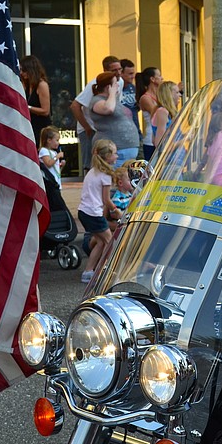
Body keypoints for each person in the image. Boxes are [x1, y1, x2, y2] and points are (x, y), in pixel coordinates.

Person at [78, 139, 120, 284]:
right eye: (114, 153)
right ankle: (105, 273)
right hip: (93, 214)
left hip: (84, 212)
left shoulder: (92, 171)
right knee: (110, 243)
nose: (117, 156)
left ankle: (88, 272)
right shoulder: (105, 175)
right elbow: (106, 200)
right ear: (107, 156)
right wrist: (117, 211)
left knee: (102, 242)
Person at [71, 56, 124, 172]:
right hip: (91, 127)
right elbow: (75, 105)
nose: (118, 73)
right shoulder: (94, 84)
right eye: (114, 70)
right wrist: (87, 127)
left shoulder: (120, 82)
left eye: (120, 69)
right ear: (105, 70)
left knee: (108, 159)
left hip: (106, 128)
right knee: (91, 162)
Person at [90, 71, 140, 165]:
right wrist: (112, 93)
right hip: (116, 151)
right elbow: (108, 109)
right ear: (108, 87)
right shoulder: (97, 100)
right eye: (115, 83)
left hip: (129, 149)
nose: (117, 85)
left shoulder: (113, 100)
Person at [20, 55, 51, 145]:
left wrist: (28, 107)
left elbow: (45, 110)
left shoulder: (42, 85)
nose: (22, 73)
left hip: (40, 128)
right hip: (29, 126)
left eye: (24, 70)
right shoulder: (27, 85)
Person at [136, 67, 163, 159]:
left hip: (161, 135)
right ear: (152, 79)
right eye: (159, 76)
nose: (162, 78)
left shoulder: (158, 95)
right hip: (151, 139)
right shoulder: (145, 98)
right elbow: (156, 114)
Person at [153, 80, 180, 147]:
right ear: (169, 95)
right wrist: (184, 140)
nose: (180, 95)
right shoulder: (162, 111)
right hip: (170, 155)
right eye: (177, 92)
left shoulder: (167, 112)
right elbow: (160, 144)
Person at [119, 59, 140, 139]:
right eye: (130, 74)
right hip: (121, 134)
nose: (133, 76)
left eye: (133, 73)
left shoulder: (132, 87)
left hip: (135, 131)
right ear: (121, 74)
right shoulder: (114, 89)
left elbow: (136, 108)